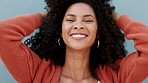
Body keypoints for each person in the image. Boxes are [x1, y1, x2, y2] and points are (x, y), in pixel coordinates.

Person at [0, 0, 148, 83]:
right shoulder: (37, 72)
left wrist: (113, 17)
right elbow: (3, 32)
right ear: (60, 30)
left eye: (88, 20)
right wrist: (47, 17)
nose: (78, 25)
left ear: (98, 33)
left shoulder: (118, 75)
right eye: (70, 19)